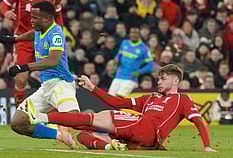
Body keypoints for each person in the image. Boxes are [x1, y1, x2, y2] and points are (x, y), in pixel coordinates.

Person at [25, 64, 216, 152]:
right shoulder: (150, 98)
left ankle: (41, 117)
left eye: (163, 78)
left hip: (148, 130)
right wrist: (93, 88)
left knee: (95, 118)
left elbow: (198, 120)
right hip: (140, 137)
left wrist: (206, 146)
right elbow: (118, 102)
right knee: (83, 134)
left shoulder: (182, 99)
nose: (159, 81)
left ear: (176, 80)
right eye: (158, 78)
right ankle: (110, 146)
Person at [0, 1, 79, 148]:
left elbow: (53, 61)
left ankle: (106, 138)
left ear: (47, 19)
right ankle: (59, 135)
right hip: (45, 87)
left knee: (75, 120)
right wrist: (15, 39)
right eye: (31, 16)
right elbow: (34, 34)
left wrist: (24, 67)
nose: (31, 20)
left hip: (61, 84)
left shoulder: (56, 33)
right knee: (18, 123)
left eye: (35, 18)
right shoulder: (40, 29)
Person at [0, 0, 63, 105]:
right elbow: (4, 3)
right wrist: (6, 12)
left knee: (51, 78)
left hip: (45, 41)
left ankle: (52, 113)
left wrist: (60, 34)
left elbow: (58, 16)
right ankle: (19, 110)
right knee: (21, 79)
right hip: (24, 40)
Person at [108, 26, 153, 97]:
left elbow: (150, 65)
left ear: (139, 34)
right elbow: (119, 54)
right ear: (129, 34)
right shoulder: (124, 43)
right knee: (109, 98)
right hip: (119, 75)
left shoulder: (144, 48)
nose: (133, 34)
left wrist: (139, 72)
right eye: (132, 32)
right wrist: (116, 60)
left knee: (120, 97)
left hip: (130, 79)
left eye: (136, 33)